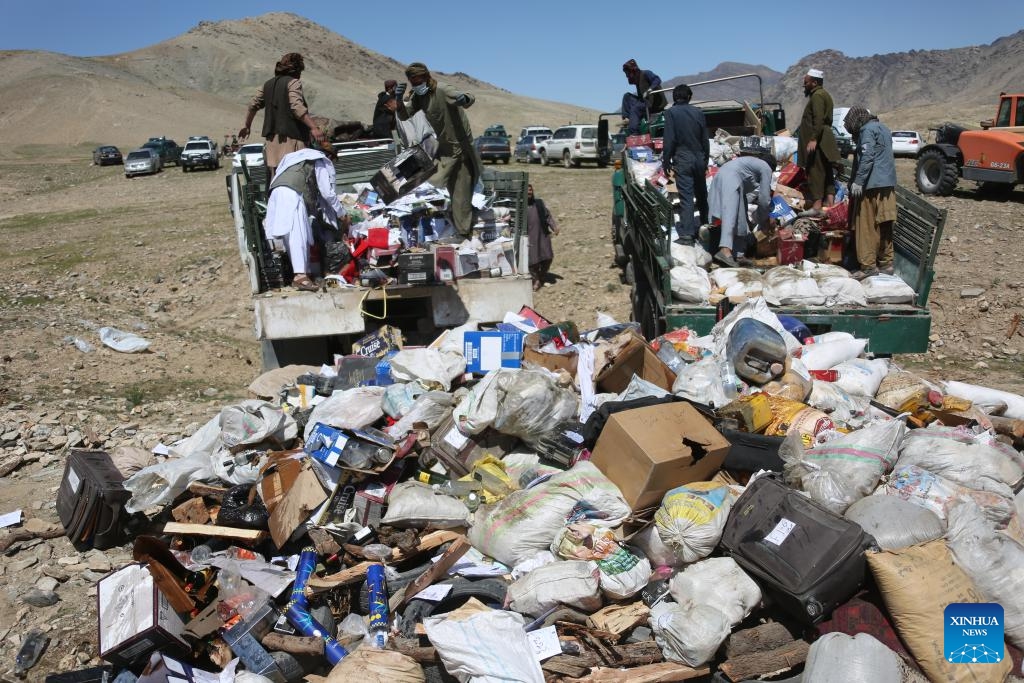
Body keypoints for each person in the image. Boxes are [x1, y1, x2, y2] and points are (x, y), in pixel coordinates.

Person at [396, 62, 479, 237]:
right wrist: (398, 100)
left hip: (460, 151)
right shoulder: (420, 97)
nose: (417, 86)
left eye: (419, 82)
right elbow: (404, 115)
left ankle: (464, 233)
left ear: (427, 77)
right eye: (413, 83)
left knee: (461, 194)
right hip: (445, 153)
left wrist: (464, 99)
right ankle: (459, 226)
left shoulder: (442, 89)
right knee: (448, 190)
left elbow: (468, 97)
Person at [263, 148, 343, 292]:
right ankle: (301, 277)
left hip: (276, 193)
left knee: (287, 236)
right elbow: (327, 192)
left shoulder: (296, 158)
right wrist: (341, 213)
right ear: (329, 155)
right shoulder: (318, 160)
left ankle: (300, 275)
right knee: (298, 235)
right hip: (292, 194)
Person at [239, 52, 325, 176]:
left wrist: (247, 126)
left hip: (272, 144)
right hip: (292, 141)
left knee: (278, 179)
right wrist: (314, 128)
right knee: (297, 178)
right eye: (300, 71)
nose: (300, 75)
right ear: (296, 70)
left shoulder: (267, 85)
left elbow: (253, 105)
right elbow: (296, 107)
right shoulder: (293, 83)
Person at [844, 106, 897, 280]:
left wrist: (858, 181)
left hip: (871, 186)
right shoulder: (884, 128)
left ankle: (868, 266)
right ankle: (887, 263)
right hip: (888, 185)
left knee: (866, 227)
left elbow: (867, 157)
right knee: (884, 225)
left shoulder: (866, 130)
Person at [707, 148, 775, 267]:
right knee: (730, 215)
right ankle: (725, 250)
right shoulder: (766, 167)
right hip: (730, 178)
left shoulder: (754, 164)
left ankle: (738, 254)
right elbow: (764, 199)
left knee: (741, 219)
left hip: (729, 178)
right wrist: (765, 219)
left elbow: (750, 196)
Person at [662, 84, 709, 245]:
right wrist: (705, 160)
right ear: (689, 97)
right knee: (702, 194)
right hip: (699, 158)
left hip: (683, 159)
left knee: (687, 196)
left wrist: (666, 160)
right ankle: (706, 225)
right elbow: (705, 139)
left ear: (674, 97)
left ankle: (687, 234)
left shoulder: (671, 113)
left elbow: (669, 140)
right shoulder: (698, 112)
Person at [797, 68, 840, 212]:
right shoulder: (822, 94)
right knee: (826, 171)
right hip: (823, 140)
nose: (804, 85)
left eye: (806, 83)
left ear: (814, 83)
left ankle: (816, 206)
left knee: (815, 171)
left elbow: (819, 118)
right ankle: (830, 204)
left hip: (819, 142)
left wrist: (813, 138)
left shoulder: (817, 96)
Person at [526, 184, 559, 291]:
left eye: (530, 190)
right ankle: (535, 280)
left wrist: (554, 227)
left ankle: (541, 276)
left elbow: (547, 216)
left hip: (543, 234)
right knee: (533, 261)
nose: (529, 192)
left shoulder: (539, 203)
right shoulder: (520, 207)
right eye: (527, 190)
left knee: (548, 257)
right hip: (529, 237)